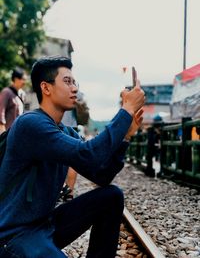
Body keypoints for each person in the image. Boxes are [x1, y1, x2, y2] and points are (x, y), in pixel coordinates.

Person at [0, 56, 145, 258]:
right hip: (14, 236)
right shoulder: (30, 124)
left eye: (74, 82)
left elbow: (102, 175)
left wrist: (126, 137)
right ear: (46, 88)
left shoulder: (66, 132)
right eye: (67, 82)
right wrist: (127, 109)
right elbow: (88, 155)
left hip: (44, 226)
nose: (74, 88)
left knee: (111, 196)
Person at [0, 67, 26, 134]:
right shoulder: (6, 92)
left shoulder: (22, 94)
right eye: (23, 79)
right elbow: (1, 113)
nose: (24, 82)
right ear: (16, 79)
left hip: (17, 133)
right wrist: (3, 135)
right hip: (7, 133)